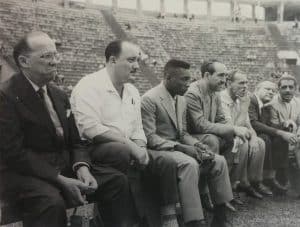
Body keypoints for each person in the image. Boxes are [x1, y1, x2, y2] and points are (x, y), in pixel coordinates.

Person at [0, 32, 131, 227]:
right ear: (23, 61)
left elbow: (76, 142)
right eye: (46, 56)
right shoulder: (6, 95)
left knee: (116, 181)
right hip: (24, 173)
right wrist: (60, 180)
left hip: (62, 166)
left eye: (55, 55)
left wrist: (82, 168)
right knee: (51, 202)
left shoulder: (58, 94)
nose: (55, 62)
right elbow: (14, 153)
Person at [70, 40, 180, 227]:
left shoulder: (132, 90)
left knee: (165, 162)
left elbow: (137, 128)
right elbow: (90, 129)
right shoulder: (89, 85)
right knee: (121, 151)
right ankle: (130, 220)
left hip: (127, 147)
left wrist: (141, 147)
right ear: (112, 60)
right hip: (95, 150)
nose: (136, 66)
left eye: (137, 60)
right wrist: (131, 147)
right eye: (130, 60)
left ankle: (169, 219)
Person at [141, 59, 233, 227]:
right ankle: (194, 220)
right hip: (158, 150)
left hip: (176, 147)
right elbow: (150, 137)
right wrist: (182, 147)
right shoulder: (149, 99)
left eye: (189, 79)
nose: (188, 84)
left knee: (218, 160)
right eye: (184, 79)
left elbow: (182, 133)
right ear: (168, 77)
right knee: (189, 164)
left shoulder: (180, 99)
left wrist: (198, 145)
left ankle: (220, 216)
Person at [184, 60, 250, 202]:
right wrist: (232, 128)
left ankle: (224, 191)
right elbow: (199, 125)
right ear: (207, 75)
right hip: (189, 136)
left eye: (226, 76)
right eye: (221, 76)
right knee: (212, 140)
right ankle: (205, 193)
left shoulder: (215, 92)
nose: (224, 80)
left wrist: (233, 130)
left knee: (234, 140)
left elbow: (220, 118)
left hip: (206, 133)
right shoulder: (192, 93)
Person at [219, 70, 272, 199]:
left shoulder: (239, 99)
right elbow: (231, 126)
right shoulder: (222, 98)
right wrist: (244, 107)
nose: (245, 86)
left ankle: (253, 181)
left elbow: (248, 125)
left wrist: (253, 137)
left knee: (259, 142)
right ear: (229, 83)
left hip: (238, 134)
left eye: (246, 83)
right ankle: (234, 185)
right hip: (223, 135)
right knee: (241, 143)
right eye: (241, 83)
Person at [249, 81, 291, 193]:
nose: (271, 92)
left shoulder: (266, 105)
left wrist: (283, 126)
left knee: (281, 137)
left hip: (258, 133)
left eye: (273, 91)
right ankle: (257, 180)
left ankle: (272, 177)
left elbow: (268, 125)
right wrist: (279, 132)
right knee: (265, 138)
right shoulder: (251, 100)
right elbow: (253, 123)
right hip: (247, 133)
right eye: (267, 89)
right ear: (257, 89)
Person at [266, 74, 300, 189]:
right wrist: (286, 125)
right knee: (281, 139)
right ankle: (280, 176)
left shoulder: (298, 102)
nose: (288, 90)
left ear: (295, 88)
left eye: (291, 87)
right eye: (284, 87)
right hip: (278, 137)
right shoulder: (272, 103)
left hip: (295, 136)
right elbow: (273, 126)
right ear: (279, 88)